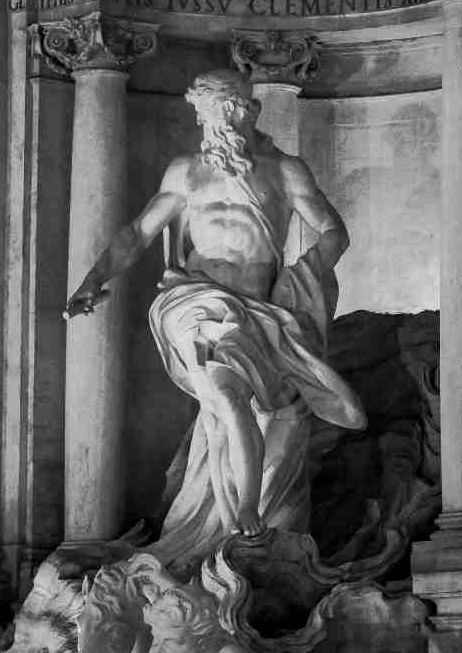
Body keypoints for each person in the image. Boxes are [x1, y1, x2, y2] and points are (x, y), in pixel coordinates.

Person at [65, 71, 366, 573]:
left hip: (258, 309)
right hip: (195, 302)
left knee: (254, 412)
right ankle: (245, 508)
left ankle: (241, 515)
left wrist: (308, 273)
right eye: (206, 113)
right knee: (226, 394)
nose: (215, 123)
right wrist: (93, 279)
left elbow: (333, 231)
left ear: (246, 111)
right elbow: (139, 233)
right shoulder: (185, 172)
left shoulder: (285, 171)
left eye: (224, 109)